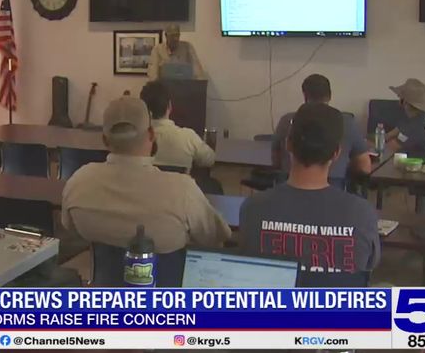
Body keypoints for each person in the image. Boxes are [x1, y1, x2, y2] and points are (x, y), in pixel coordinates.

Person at [62, 96, 231, 254]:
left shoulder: (78, 182)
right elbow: (216, 239)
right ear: (151, 134)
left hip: (99, 276)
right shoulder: (183, 190)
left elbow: (69, 229)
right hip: (166, 276)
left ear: (105, 140)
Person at [240, 103, 380, 285]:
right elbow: (369, 266)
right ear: (336, 153)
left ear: (288, 144)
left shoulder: (252, 209)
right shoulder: (362, 213)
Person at [272, 74, 371, 185]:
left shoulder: (286, 120)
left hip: (288, 185)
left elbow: (276, 159)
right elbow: (364, 167)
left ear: (305, 95)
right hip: (334, 186)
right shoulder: (346, 122)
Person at [140, 81, 215, 171]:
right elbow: (210, 160)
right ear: (170, 106)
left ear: (142, 108)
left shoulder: (135, 140)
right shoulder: (188, 137)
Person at [385, 78, 425, 158]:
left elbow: (390, 147)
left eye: (400, 96)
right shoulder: (421, 115)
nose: (398, 96)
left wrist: (365, 145)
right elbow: (391, 134)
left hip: (413, 161)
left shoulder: (416, 126)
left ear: (405, 102)